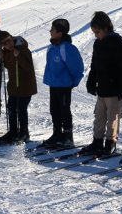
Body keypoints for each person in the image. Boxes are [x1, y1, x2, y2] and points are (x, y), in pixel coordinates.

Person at [79, 11, 122, 157]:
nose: (96, 35)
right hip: (102, 89)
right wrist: (91, 81)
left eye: (98, 32)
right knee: (99, 117)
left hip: (114, 90)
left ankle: (110, 142)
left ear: (106, 28)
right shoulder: (98, 44)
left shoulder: (117, 43)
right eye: (94, 32)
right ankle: (97, 141)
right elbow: (94, 65)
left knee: (112, 118)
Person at [41, 19, 84, 149]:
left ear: (60, 32)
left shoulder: (67, 48)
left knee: (64, 110)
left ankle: (67, 136)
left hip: (64, 85)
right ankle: (57, 134)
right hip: (53, 84)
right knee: (54, 110)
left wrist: (73, 81)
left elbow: (77, 68)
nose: (50, 31)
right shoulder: (51, 47)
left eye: (52, 29)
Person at [0, 31, 38, 145]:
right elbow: (10, 66)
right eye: (4, 43)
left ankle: (24, 133)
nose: (8, 44)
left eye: (9, 41)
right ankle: (13, 131)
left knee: (21, 109)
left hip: (25, 85)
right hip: (14, 86)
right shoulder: (7, 52)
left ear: (12, 38)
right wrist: (2, 59)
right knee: (11, 108)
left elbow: (29, 68)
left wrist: (18, 56)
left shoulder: (23, 49)